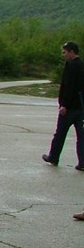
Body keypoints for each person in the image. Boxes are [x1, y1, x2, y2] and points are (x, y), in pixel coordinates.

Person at [41, 41, 84, 170]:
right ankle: (82, 163)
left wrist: (64, 104)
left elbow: (69, 87)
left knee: (60, 133)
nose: (63, 55)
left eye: (64, 52)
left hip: (69, 108)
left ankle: (53, 157)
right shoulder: (82, 65)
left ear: (72, 52)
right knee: (81, 136)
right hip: (81, 107)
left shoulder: (72, 66)